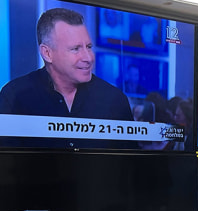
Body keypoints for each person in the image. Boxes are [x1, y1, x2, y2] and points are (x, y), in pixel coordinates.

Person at [0, 8, 134, 149]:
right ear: (47, 53)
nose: (88, 58)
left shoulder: (114, 100)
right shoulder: (14, 96)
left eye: (88, 47)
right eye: (75, 49)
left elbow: (130, 165)